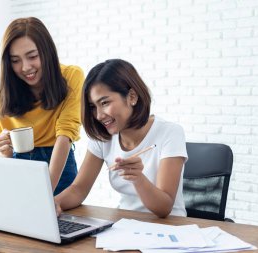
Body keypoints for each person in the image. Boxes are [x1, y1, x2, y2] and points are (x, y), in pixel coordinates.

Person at [55, 59, 188, 217]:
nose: (98, 115)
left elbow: (164, 207)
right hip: (125, 225)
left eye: (104, 102)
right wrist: (51, 205)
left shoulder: (170, 133)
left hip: (170, 227)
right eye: (93, 107)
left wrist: (138, 178)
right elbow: (78, 189)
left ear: (132, 96)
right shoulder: (103, 137)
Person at [0, 17, 84, 195]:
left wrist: (45, 194)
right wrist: (3, 151)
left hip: (58, 163)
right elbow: (1, 149)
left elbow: (65, 134)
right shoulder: (1, 96)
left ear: (46, 52)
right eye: (15, 60)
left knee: (66, 221)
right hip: (19, 167)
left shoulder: (72, 77)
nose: (25, 67)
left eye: (32, 56)